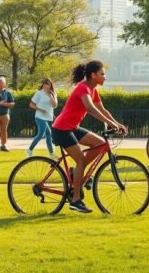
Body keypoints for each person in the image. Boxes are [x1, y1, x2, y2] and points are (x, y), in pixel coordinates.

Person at [51, 60, 127, 214]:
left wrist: (117, 124)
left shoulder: (93, 90)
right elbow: (90, 108)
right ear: (93, 75)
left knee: (100, 144)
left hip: (72, 127)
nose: (105, 77)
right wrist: (110, 124)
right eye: (102, 74)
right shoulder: (83, 88)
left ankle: (76, 174)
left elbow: (102, 110)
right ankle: (75, 200)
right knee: (81, 160)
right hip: (62, 129)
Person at [27, 78, 58, 158]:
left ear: (50, 85)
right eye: (44, 84)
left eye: (47, 84)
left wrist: (51, 96)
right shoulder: (39, 93)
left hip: (48, 118)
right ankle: (30, 149)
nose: (45, 86)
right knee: (41, 134)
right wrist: (40, 109)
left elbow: (54, 105)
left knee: (48, 134)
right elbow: (31, 104)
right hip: (39, 117)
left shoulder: (53, 93)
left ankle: (51, 154)